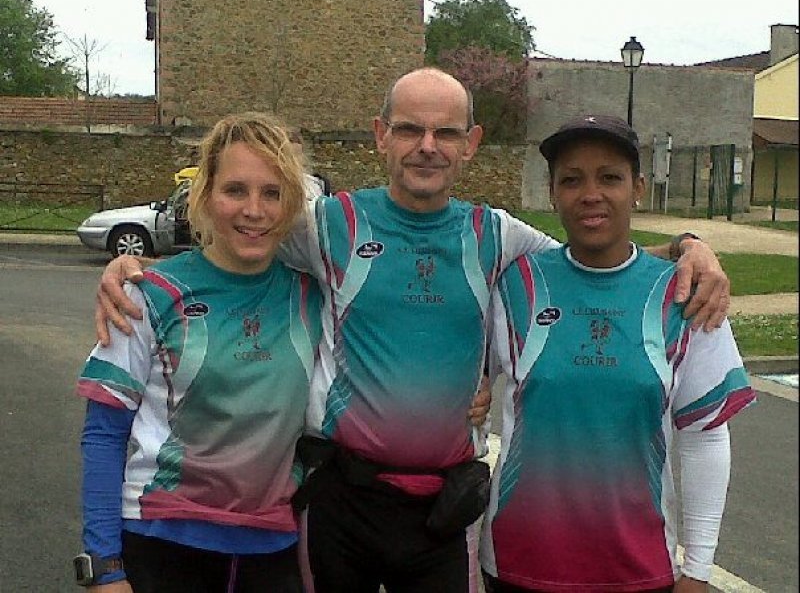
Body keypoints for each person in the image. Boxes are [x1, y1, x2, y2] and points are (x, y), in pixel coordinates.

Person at [93, 69, 731, 593]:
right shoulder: (328, 225)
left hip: (441, 513)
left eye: (446, 132)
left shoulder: (496, 235)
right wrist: (136, 271)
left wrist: (687, 248)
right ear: (382, 136)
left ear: (470, 143)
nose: (428, 145)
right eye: (409, 129)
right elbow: (235, 242)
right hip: (341, 498)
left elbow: (593, 257)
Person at [479, 115, 756, 593]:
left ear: (638, 189)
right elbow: (467, 389)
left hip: (639, 570)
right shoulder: (517, 285)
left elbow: (706, 438)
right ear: (552, 194)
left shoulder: (685, 294)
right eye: (571, 180)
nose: (591, 194)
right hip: (518, 566)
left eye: (609, 177)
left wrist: (698, 569)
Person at [74, 112, 324, 592]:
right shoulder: (149, 295)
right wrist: (104, 567)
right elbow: (104, 432)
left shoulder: (314, 297)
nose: (254, 210)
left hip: (272, 548)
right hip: (162, 540)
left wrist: (472, 386)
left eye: (272, 193)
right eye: (235, 190)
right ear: (205, 195)